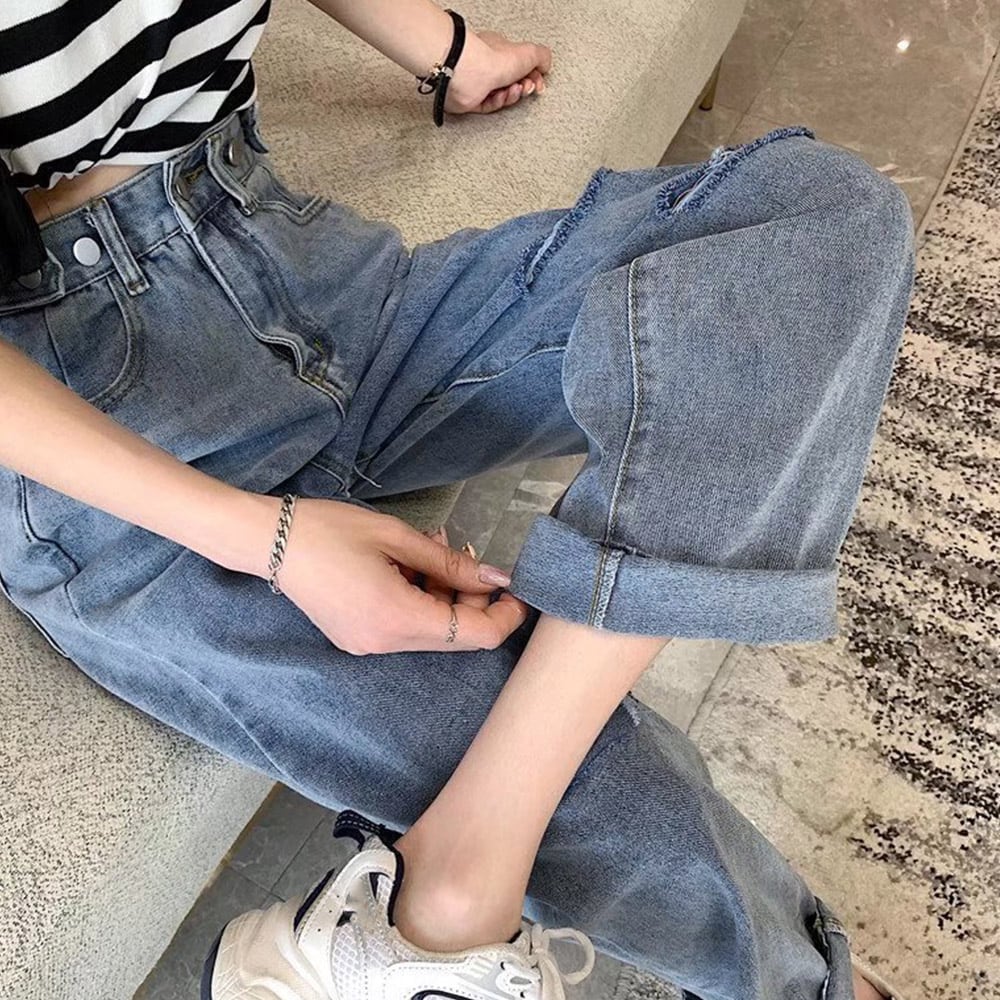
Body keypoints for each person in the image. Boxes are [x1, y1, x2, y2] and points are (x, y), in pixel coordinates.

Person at [0, 2, 914, 999]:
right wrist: (270, 540)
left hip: (286, 263)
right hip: (78, 419)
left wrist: (440, 45)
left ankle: (460, 872)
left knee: (820, 215)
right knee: (592, 793)